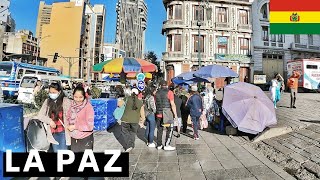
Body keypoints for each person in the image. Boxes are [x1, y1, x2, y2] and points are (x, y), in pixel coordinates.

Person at [35, 82, 71, 152]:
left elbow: (72, 115)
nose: (52, 94)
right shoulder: (47, 101)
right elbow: (40, 115)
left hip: (63, 131)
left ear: (59, 92)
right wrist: (50, 121)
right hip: (52, 132)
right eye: (50, 92)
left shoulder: (66, 101)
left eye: (54, 92)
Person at [66, 86, 94, 152]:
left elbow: (90, 126)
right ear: (73, 96)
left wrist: (75, 126)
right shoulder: (72, 106)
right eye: (75, 97)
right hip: (73, 137)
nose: (78, 99)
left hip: (85, 138)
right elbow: (68, 117)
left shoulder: (88, 107)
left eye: (80, 97)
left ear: (84, 97)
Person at [155, 80, 177, 151]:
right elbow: (172, 104)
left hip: (158, 114)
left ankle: (159, 145)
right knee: (169, 129)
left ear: (160, 85)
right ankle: (167, 145)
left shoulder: (156, 93)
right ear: (166, 85)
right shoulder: (169, 92)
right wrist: (175, 115)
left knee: (159, 130)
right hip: (167, 115)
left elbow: (156, 103)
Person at [121, 88, 145, 152]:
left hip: (125, 119)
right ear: (137, 94)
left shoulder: (127, 98)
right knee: (132, 133)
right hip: (135, 121)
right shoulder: (140, 102)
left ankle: (129, 145)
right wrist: (142, 122)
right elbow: (142, 115)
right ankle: (132, 144)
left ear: (131, 93)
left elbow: (119, 105)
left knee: (125, 133)